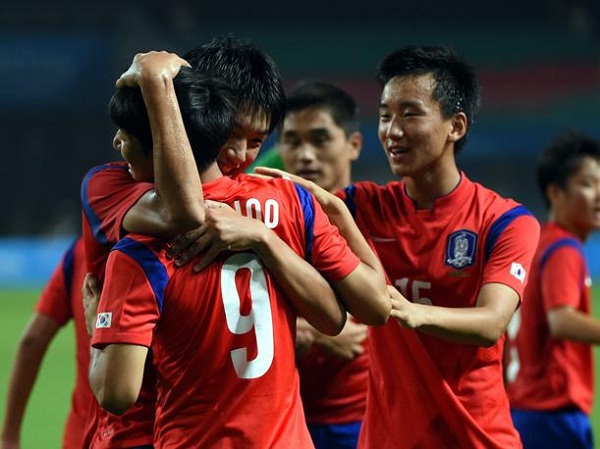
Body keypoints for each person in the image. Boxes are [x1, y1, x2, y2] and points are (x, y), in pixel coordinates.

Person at [86, 50, 390, 448]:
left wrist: (268, 237)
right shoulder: (287, 200)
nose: (238, 154)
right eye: (232, 134)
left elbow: (115, 392)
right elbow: (336, 319)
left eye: (256, 142)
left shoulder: (140, 248)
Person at [258, 44, 541, 448]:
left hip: (476, 436)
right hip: (386, 438)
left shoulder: (505, 221)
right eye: (385, 115)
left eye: (410, 114)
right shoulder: (359, 208)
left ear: (456, 126)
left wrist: (410, 311)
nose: (392, 131)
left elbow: (490, 323)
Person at [277, 80, 367, 449]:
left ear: (353, 145)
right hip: (283, 420)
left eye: (320, 139)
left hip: (363, 419)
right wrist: (315, 332)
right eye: (292, 141)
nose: (305, 156)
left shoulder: (378, 220)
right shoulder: (264, 224)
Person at [505, 130, 600, 449]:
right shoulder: (564, 248)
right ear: (555, 193)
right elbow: (561, 320)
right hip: (553, 412)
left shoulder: (539, 244)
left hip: (524, 408)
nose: (599, 195)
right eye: (588, 184)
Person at [0, 237, 93, 449]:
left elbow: (32, 341)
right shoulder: (158, 256)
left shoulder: (80, 252)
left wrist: (9, 437)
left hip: (82, 437)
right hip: (149, 435)